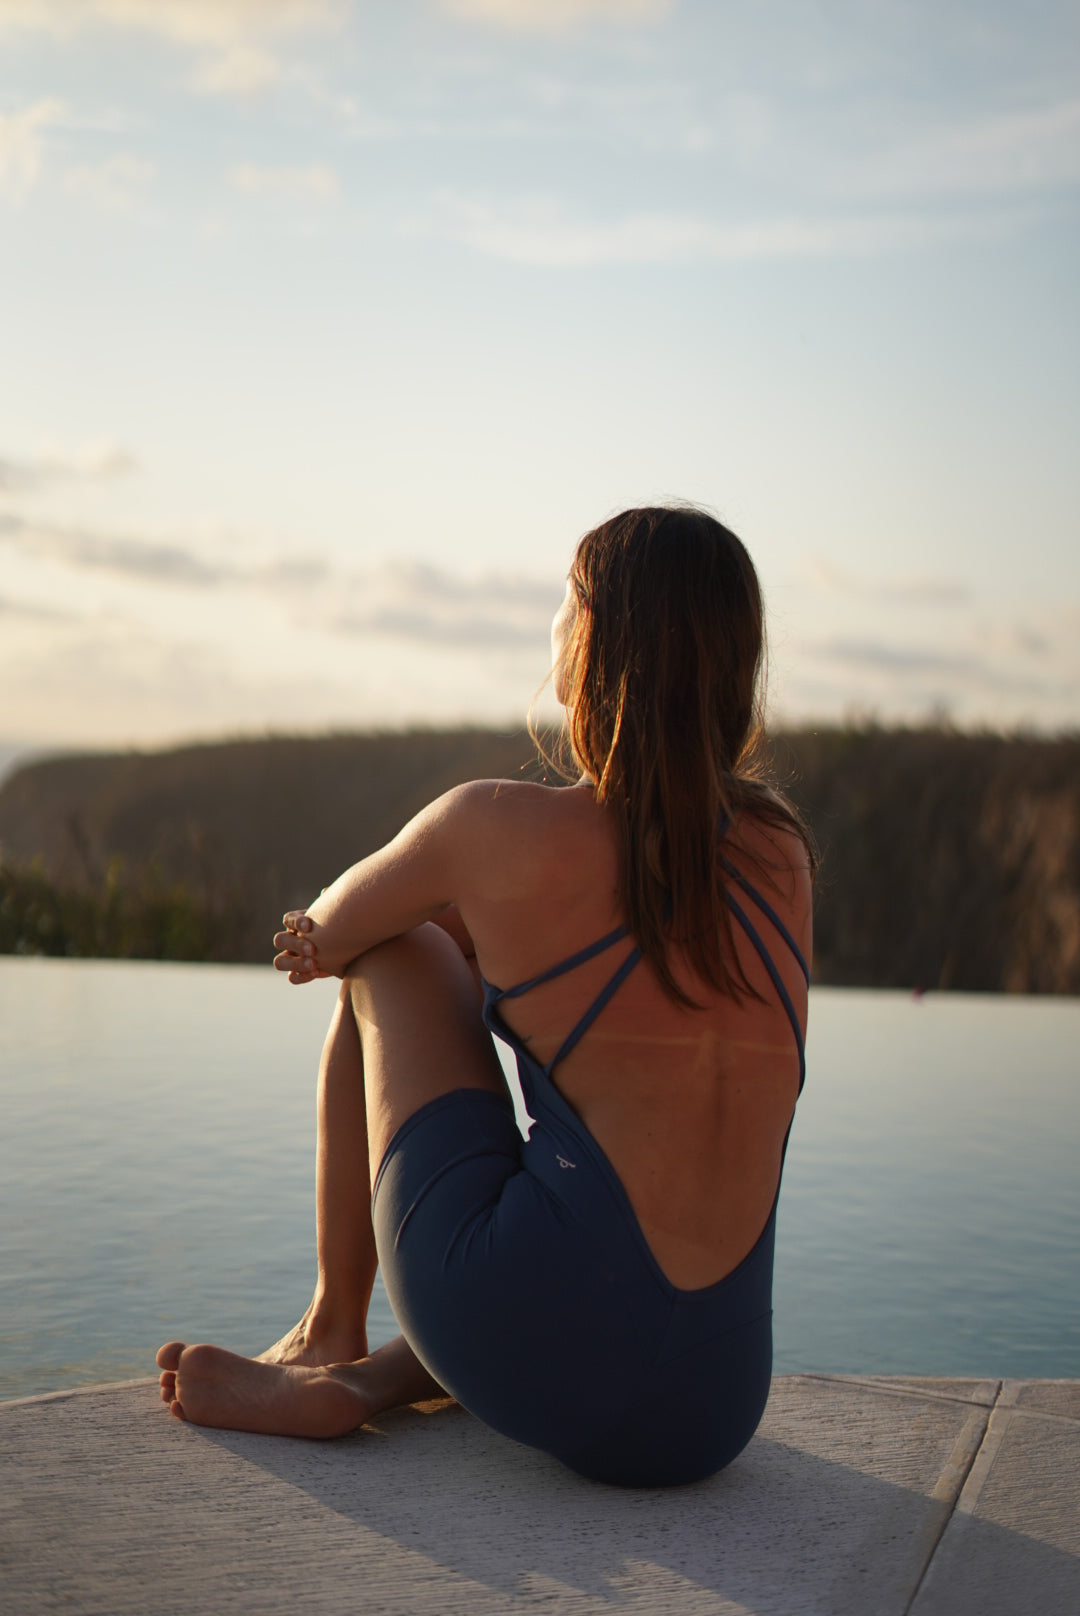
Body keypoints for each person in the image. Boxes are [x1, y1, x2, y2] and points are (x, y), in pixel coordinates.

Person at [157, 504, 813, 1487]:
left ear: (593, 639)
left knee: (401, 948)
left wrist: (371, 930)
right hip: (716, 1403)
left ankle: (331, 1326)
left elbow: (331, 937)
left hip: (546, 1361)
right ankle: (374, 1381)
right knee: (588, 1222)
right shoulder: (782, 853)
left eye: (565, 598)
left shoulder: (495, 826)